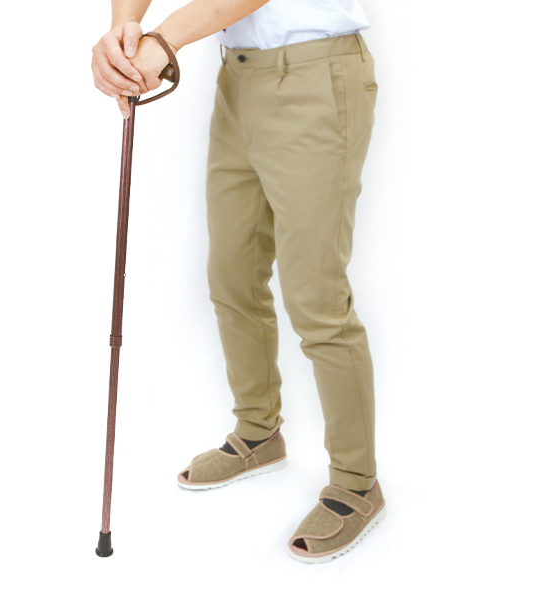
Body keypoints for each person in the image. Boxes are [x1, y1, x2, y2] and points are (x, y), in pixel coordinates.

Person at [92, 0, 385, 563]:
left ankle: (357, 483)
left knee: (317, 298)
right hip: (238, 76)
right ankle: (258, 432)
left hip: (316, 75)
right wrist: (122, 38)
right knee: (232, 275)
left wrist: (163, 42)